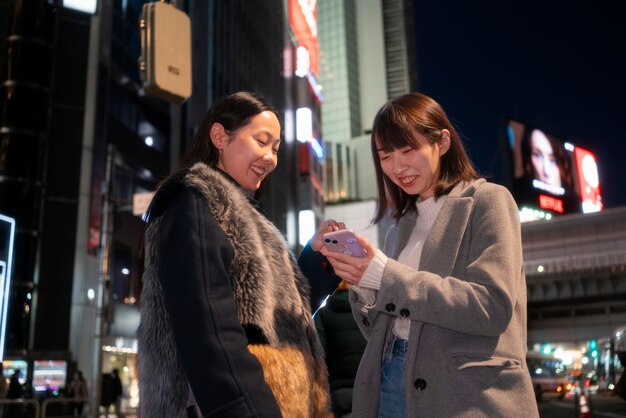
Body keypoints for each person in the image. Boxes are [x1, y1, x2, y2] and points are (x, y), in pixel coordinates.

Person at [308, 92, 539, 417]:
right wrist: (362, 283)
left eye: (408, 149)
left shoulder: (488, 200)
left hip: (465, 392)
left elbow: (492, 307)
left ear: (442, 142)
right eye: (385, 155)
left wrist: (384, 274)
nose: (397, 167)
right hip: (391, 378)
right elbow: (380, 330)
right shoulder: (398, 229)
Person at [137, 91, 331, 417]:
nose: (270, 157)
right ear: (219, 136)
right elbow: (210, 332)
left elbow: (275, 320)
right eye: (261, 141)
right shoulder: (196, 202)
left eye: (276, 148)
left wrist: (317, 259)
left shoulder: (249, 217)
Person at [313, 280, 367, 418]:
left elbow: (319, 356)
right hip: (368, 391)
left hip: (339, 396)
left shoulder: (323, 314)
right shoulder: (366, 312)